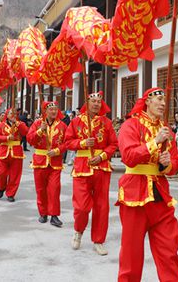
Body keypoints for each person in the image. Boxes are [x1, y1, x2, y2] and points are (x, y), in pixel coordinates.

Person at [116, 87, 178, 282]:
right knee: (131, 253)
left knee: (169, 251)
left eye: (165, 100)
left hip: (160, 194)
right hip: (134, 193)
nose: (163, 103)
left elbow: (175, 166)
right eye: (159, 99)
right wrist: (155, 142)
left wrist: (166, 163)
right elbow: (128, 157)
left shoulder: (166, 129)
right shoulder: (131, 125)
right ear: (147, 101)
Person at [64, 91, 118, 256]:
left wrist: (102, 156)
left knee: (101, 207)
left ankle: (99, 240)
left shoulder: (106, 123)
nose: (96, 104)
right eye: (93, 101)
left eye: (98, 102)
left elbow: (113, 144)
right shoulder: (75, 122)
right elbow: (67, 142)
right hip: (82, 167)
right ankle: (78, 231)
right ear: (87, 102)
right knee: (81, 207)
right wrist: (82, 143)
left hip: (101, 167)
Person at [26, 101, 67, 227]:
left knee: (54, 189)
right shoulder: (38, 123)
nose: (54, 112)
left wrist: (58, 150)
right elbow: (29, 139)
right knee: (41, 189)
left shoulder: (62, 126)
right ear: (45, 111)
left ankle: (54, 215)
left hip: (55, 161)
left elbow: (67, 142)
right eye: (51, 110)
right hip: (40, 160)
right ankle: (43, 213)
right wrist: (39, 131)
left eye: (55, 109)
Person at [0, 108, 28, 202]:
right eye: (10, 113)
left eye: (14, 113)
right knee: (1, 173)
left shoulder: (20, 124)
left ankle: (11, 193)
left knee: (15, 175)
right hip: (4, 152)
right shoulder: (0, 126)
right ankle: (2, 187)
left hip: (16, 152)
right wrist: (7, 137)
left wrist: (17, 123)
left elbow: (25, 132)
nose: (12, 115)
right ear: (6, 115)